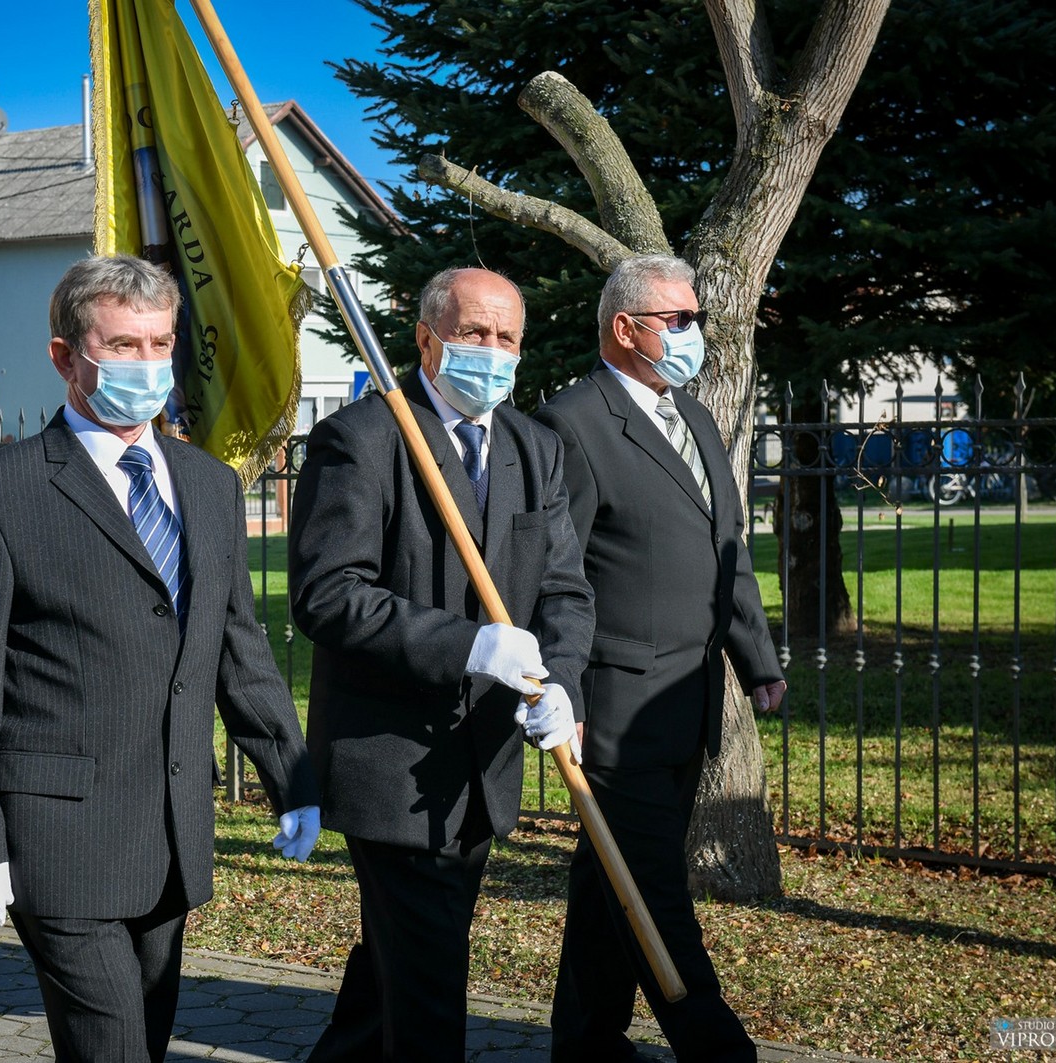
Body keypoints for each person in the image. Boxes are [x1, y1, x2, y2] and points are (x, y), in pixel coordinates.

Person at [0, 254, 321, 1063]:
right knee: (110, 1046)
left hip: (169, 835)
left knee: (145, 1035)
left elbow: (236, 648)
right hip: (57, 835)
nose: (145, 365)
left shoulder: (209, 486)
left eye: (159, 344)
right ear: (66, 356)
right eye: (122, 345)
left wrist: (293, 779)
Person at [289, 267, 595, 1061]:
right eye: (474, 334)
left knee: (391, 976)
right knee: (428, 992)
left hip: (480, 765)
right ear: (428, 340)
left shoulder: (535, 447)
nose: (491, 352)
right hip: (393, 765)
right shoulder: (364, 437)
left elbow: (563, 587)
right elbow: (328, 594)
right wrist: (468, 646)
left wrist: (561, 681)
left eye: (507, 338)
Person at [535, 253, 787, 1062]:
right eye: (679, 320)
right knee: (650, 885)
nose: (694, 334)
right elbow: (554, 574)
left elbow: (725, 547)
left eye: (696, 319)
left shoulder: (698, 417)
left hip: (686, 702)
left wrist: (757, 657)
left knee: (608, 877)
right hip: (613, 707)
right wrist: (561, 689)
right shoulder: (571, 421)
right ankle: (718, 1048)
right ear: (626, 327)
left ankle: (586, 1040)